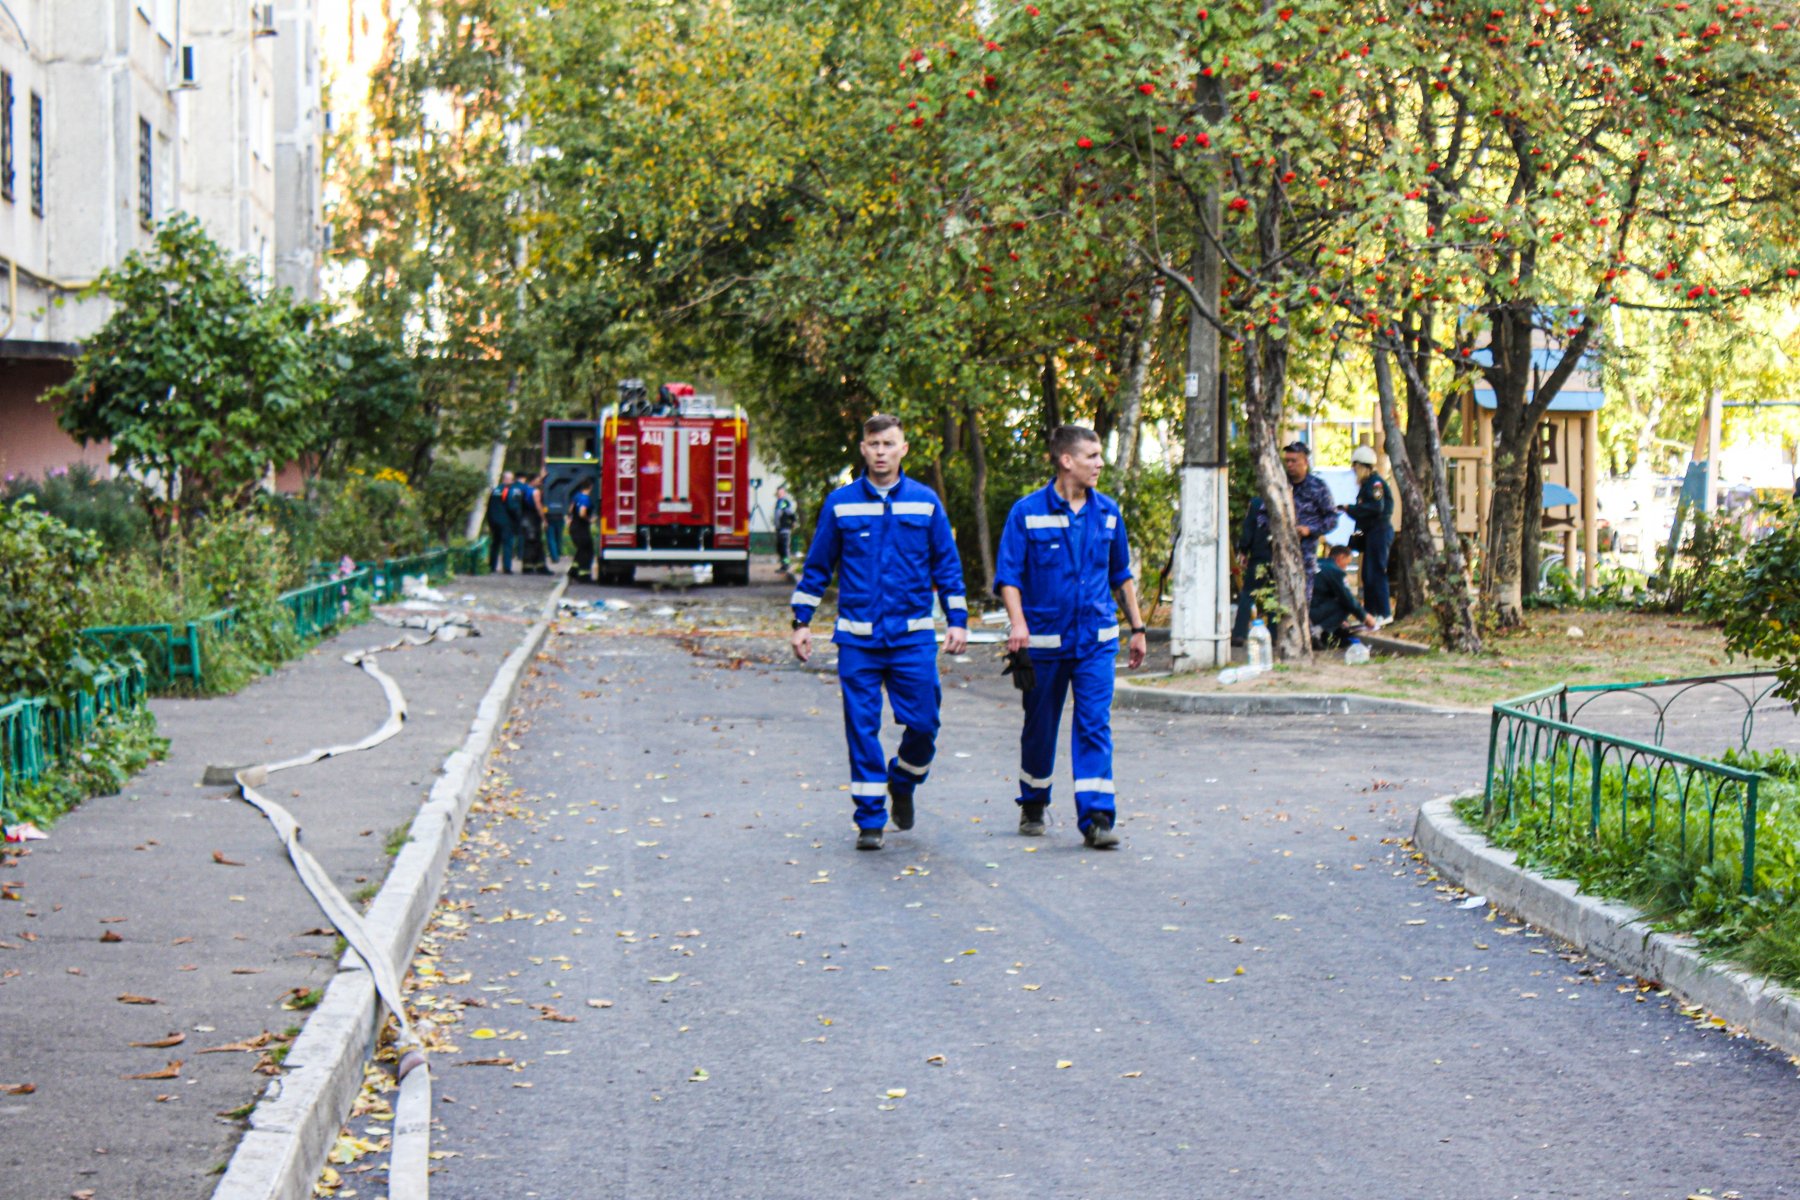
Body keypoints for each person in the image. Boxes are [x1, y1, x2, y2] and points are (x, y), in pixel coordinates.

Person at [790, 414, 970, 851]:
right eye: (874, 444)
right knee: (862, 728)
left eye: (890, 443)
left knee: (925, 723)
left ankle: (903, 780)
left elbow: (947, 566)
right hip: (858, 640)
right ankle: (869, 819)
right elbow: (817, 567)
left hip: (911, 639)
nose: (881, 451)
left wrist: (958, 619)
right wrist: (800, 622)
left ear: (903, 449)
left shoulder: (925, 503)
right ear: (863, 448)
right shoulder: (841, 504)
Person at [994, 425, 1147, 850]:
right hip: (1043, 642)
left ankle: (1097, 816)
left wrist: (1137, 628)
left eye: (1100, 456)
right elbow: (1008, 576)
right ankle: (1034, 801)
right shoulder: (1026, 512)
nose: (1100, 463)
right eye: (1092, 456)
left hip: (1096, 640)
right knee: (1040, 727)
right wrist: (1018, 623)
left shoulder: (1109, 512)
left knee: (1094, 723)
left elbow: (1121, 575)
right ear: (1066, 461)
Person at [1230, 443, 1337, 644]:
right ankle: (1275, 640)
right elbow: (1261, 516)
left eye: (1294, 460)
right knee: (1276, 599)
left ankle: (1299, 642)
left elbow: (1332, 518)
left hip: (1304, 555)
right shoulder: (1278, 485)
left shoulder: (1318, 487)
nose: (1290, 465)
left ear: (1305, 461)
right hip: (1277, 553)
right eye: (1286, 460)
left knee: (1301, 601)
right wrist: (1279, 529)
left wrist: (1309, 529)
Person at [1342, 445, 1394, 624]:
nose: (1354, 471)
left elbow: (1375, 508)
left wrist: (1352, 509)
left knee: (1377, 572)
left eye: (1355, 466)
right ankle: (1370, 615)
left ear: (1362, 466)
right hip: (1371, 533)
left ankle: (1384, 613)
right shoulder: (1366, 486)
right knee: (1368, 575)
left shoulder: (1375, 484)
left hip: (1380, 532)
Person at [1309, 543, 1372, 647]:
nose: (1345, 568)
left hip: (1307, 608)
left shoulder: (1317, 563)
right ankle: (1318, 630)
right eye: (1346, 564)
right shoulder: (1334, 570)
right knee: (1345, 605)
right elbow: (1348, 599)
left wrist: (1340, 619)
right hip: (1313, 612)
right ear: (1341, 557)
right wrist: (1365, 617)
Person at [485, 471, 518, 574]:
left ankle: (492, 566)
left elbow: (489, 507)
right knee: (507, 544)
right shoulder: (507, 491)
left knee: (495, 544)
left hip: (494, 522)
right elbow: (511, 506)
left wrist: (490, 521)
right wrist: (516, 518)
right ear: (507, 479)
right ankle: (506, 567)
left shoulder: (495, 490)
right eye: (511, 479)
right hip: (506, 522)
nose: (512, 481)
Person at [517, 473, 549, 575]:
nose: (540, 482)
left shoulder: (524, 489)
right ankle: (536, 567)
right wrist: (544, 519)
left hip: (524, 519)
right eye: (538, 480)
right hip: (533, 520)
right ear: (533, 480)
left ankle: (530, 566)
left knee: (530, 543)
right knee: (535, 543)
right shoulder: (535, 492)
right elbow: (538, 507)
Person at [567, 476, 597, 584]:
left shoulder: (576, 496)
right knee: (587, 551)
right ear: (590, 487)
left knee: (581, 549)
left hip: (574, 527)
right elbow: (582, 512)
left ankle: (573, 571)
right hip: (582, 528)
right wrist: (590, 519)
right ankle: (583, 575)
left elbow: (570, 509)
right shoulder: (585, 498)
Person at [773, 486, 799, 574]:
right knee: (780, 548)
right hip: (779, 529)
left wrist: (794, 521)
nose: (779, 494)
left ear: (784, 493)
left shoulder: (784, 502)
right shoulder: (779, 502)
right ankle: (783, 565)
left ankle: (786, 565)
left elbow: (789, 512)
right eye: (778, 492)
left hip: (784, 529)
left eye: (781, 492)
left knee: (784, 548)